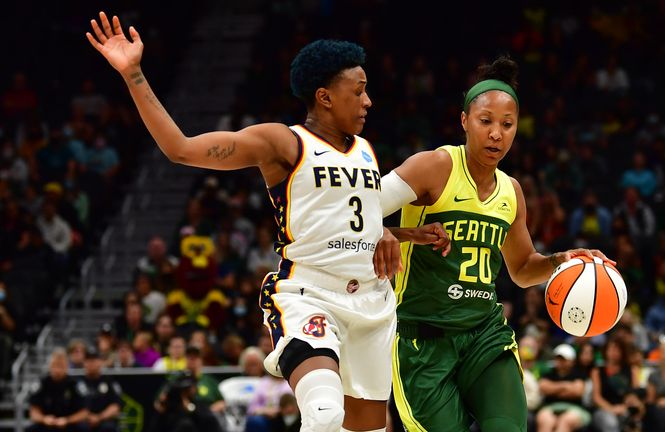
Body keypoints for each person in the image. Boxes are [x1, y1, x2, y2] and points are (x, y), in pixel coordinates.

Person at [87, 13, 451, 431]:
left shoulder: (365, 148)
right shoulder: (283, 141)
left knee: (366, 428)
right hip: (311, 294)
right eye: (360, 91)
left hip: (371, 301)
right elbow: (181, 149)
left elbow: (355, 220)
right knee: (325, 413)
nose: (369, 101)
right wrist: (134, 74)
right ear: (325, 96)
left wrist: (402, 233)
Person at [377, 56, 612, 431]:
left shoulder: (511, 191)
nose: (496, 134)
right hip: (423, 340)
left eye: (507, 124)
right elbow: (354, 211)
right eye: (485, 121)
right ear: (464, 121)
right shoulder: (434, 166)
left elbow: (520, 269)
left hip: (484, 334)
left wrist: (561, 261)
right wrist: (393, 232)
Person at [28, 348, 88, 432]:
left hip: (69, 423)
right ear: (50, 366)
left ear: (67, 366)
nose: (58, 369)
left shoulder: (75, 384)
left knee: (83, 428)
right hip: (47, 423)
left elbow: (84, 413)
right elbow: (33, 413)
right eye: (55, 365)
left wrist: (67, 420)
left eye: (61, 366)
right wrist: (44, 419)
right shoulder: (41, 384)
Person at [536, 344, 591, 432]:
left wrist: (553, 389)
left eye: (564, 359)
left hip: (575, 408)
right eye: (558, 358)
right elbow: (543, 388)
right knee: (545, 419)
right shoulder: (548, 373)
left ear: (572, 361)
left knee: (566, 420)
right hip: (550, 407)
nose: (560, 361)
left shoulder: (579, 374)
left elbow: (577, 392)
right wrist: (566, 386)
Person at [591, 338, 638, 432]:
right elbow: (596, 397)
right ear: (606, 351)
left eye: (617, 349)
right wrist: (611, 409)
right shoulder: (597, 371)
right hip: (603, 409)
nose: (614, 352)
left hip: (625, 409)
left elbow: (635, 393)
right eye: (611, 349)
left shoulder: (631, 370)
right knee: (611, 423)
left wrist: (626, 406)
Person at [80, 347, 121, 432]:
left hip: (105, 420)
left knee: (108, 427)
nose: (91, 363)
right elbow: (74, 407)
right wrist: (88, 417)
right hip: (83, 420)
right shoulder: (78, 383)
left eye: (94, 360)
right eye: (88, 360)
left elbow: (115, 406)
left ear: (100, 362)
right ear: (84, 362)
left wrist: (99, 417)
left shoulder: (109, 381)